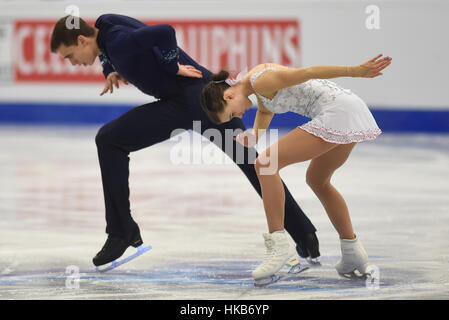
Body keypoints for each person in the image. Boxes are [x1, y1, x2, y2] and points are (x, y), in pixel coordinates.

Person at [49, 14, 321, 267]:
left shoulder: (117, 43)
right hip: (206, 95)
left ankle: (121, 232)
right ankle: (305, 234)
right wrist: (109, 68)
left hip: (188, 104)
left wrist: (172, 66)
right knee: (253, 164)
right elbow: (115, 46)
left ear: (82, 40)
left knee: (109, 141)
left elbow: (164, 32)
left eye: (70, 56)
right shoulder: (106, 25)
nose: (73, 62)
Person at [200, 55, 392, 280]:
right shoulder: (256, 83)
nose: (239, 116)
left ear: (228, 94)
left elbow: (308, 72)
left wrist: (355, 70)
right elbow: (266, 109)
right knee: (318, 180)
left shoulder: (262, 80)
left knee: (264, 164)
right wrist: (255, 135)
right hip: (349, 108)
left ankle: (278, 243)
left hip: (337, 112)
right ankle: (352, 252)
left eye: (232, 113)